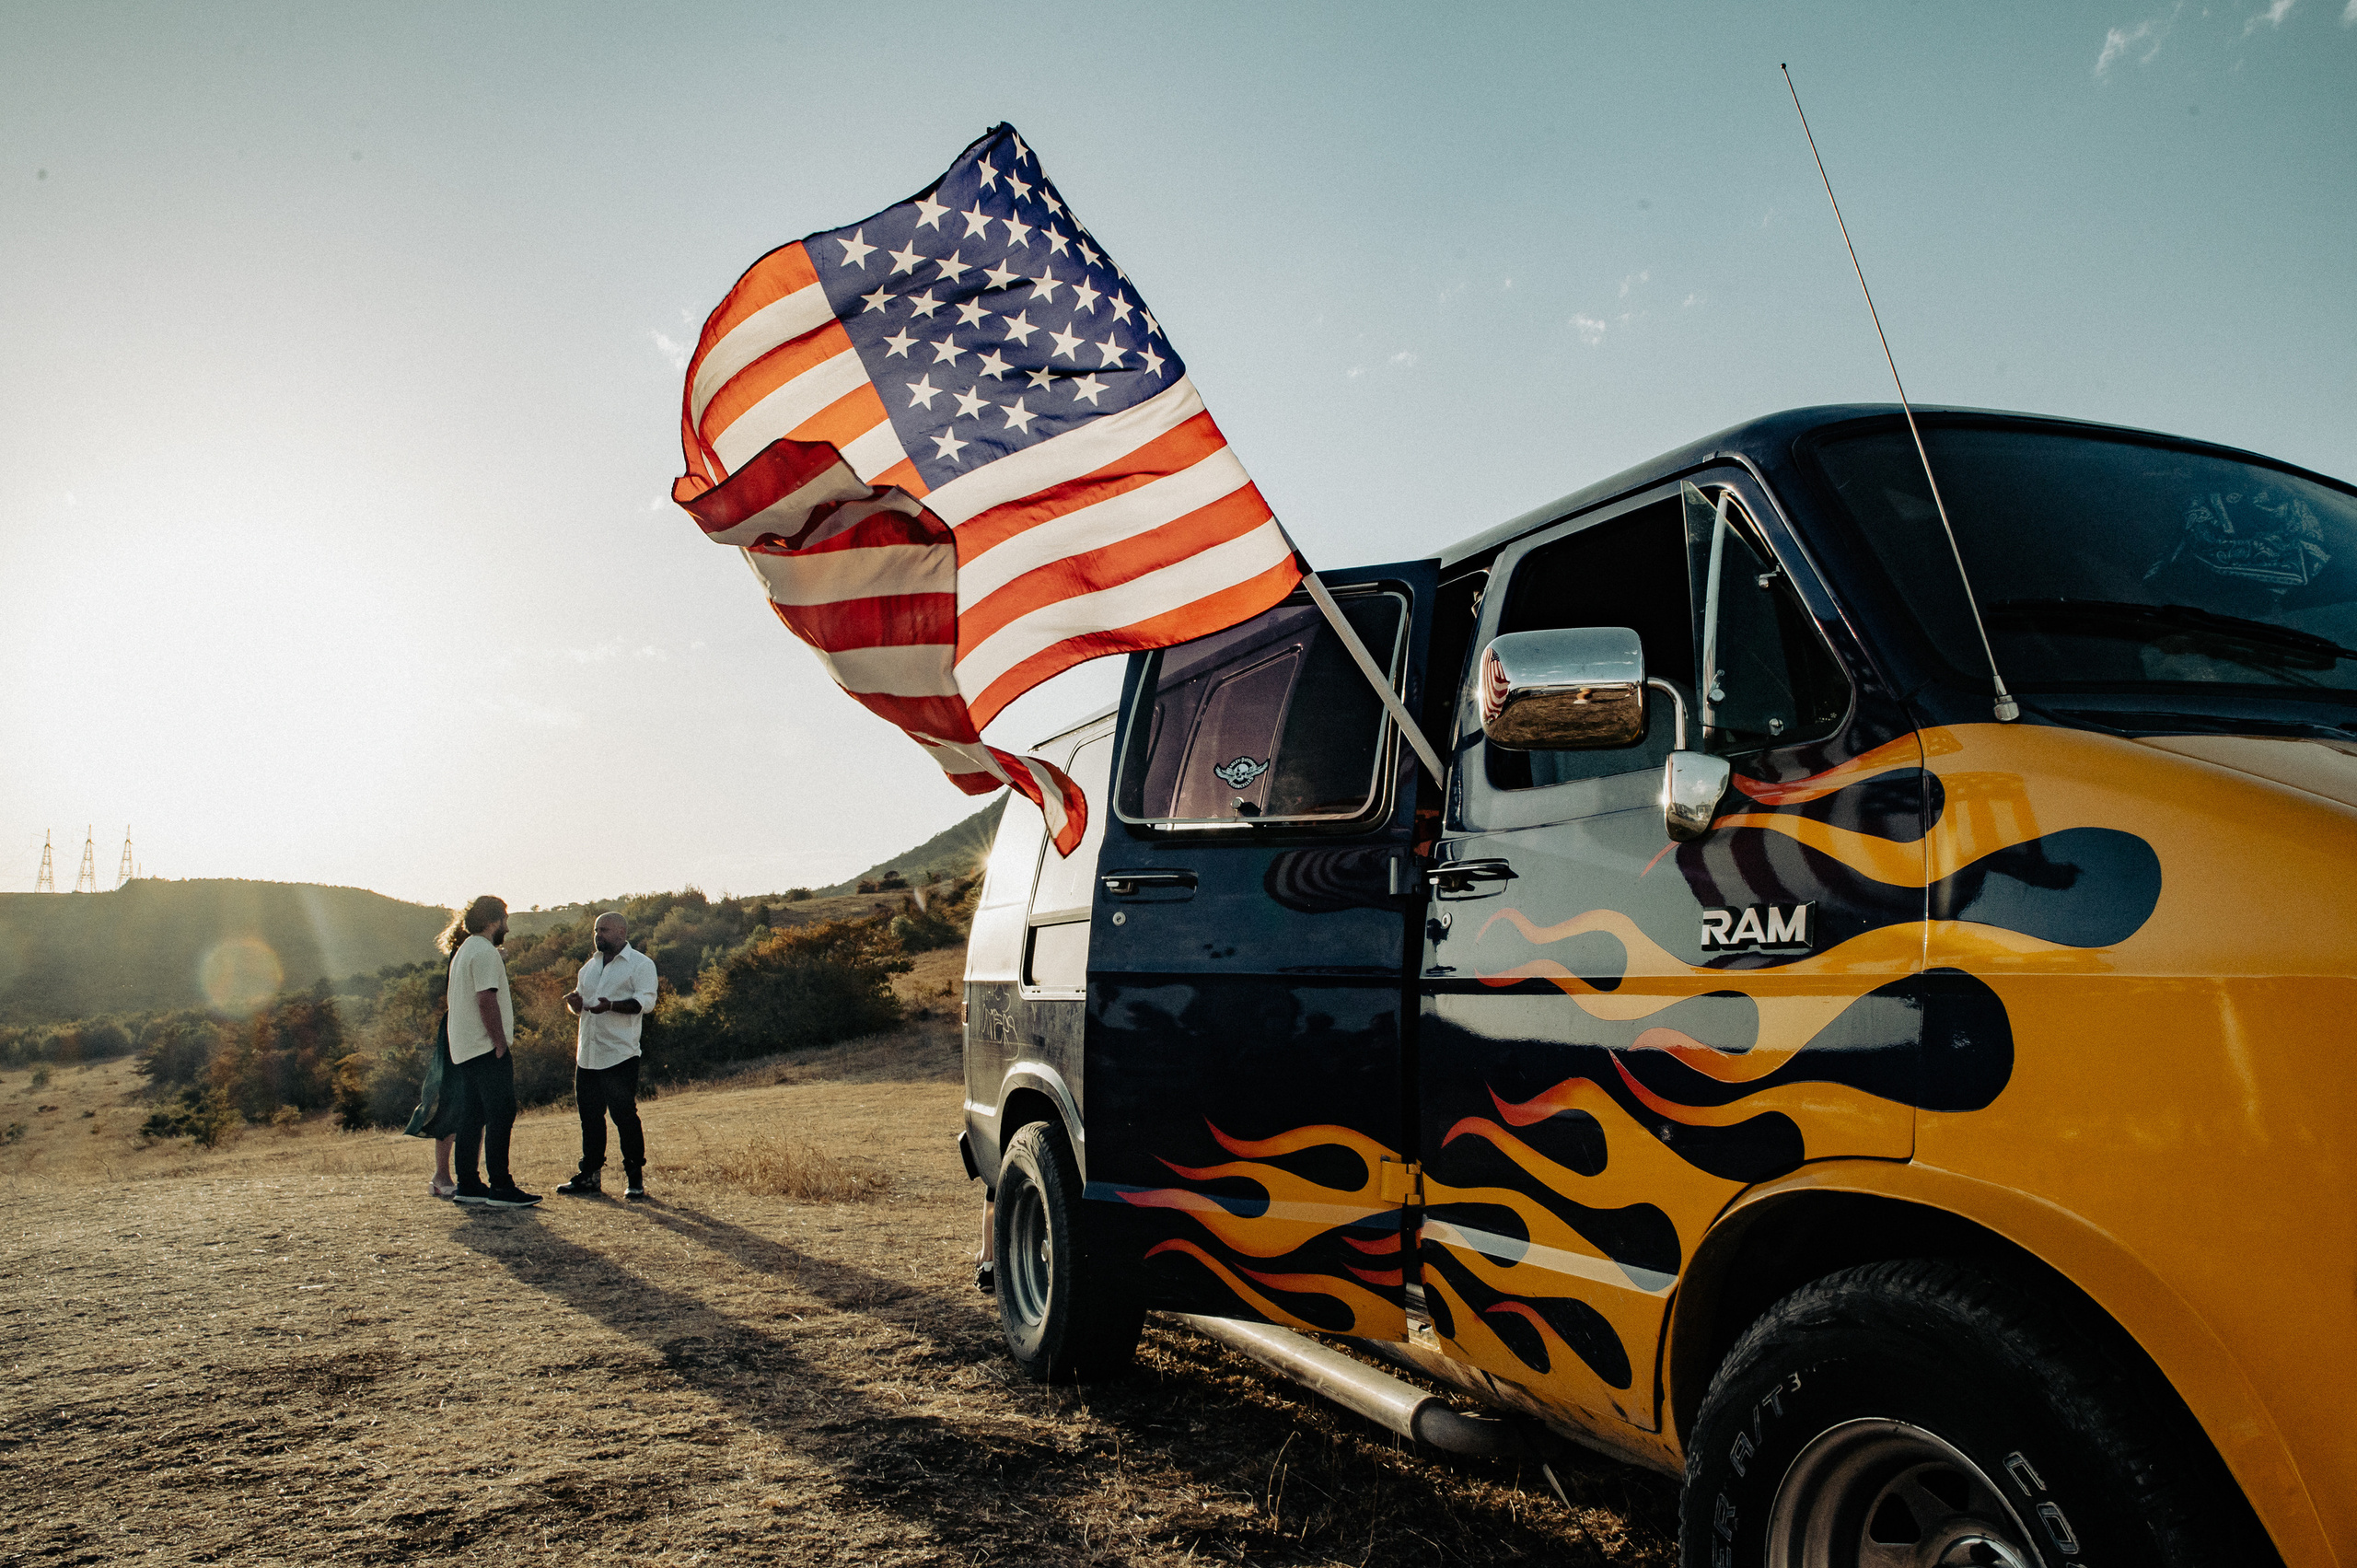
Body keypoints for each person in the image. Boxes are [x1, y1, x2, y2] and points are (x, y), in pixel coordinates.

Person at [443, 894, 540, 1208]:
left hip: (464, 1047)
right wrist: (499, 1042)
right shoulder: (484, 951)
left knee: (472, 1115)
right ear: (493, 921)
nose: (507, 927)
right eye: (505, 920)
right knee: (501, 1112)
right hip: (485, 1047)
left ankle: (469, 1184)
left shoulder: (463, 950)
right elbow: (486, 999)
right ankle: (501, 1187)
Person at [557, 912, 658, 1201]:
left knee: (624, 1116)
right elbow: (581, 1004)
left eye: (604, 930)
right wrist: (575, 1005)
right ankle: (589, 1177)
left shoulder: (640, 964)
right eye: (596, 930)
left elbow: (645, 1002)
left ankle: (635, 1179)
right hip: (587, 1054)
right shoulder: (589, 967)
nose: (598, 935)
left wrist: (611, 1005)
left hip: (619, 1054)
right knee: (590, 1118)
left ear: (622, 932)